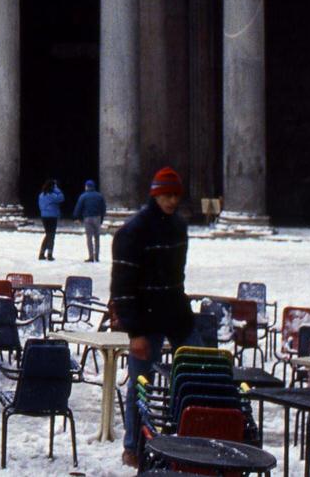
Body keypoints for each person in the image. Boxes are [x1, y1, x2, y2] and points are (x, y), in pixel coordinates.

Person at [111, 167, 194, 468]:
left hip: (175, 314)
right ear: (155, 194)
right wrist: (135, 333)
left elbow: (178, 277)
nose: (172, 201)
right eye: (166, 195)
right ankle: (134, 445)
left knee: (196, 371)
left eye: (176, 196)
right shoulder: (132, 232)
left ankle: (181, 435)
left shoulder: (178, 227)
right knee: (140, 384)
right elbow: (122, 289)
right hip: (145, 318)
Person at [72, 179, 108, 262]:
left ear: (86, 187)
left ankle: (91, 256)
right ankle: (97, 256)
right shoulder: (99, 196)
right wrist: (101, 218)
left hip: (87, 218)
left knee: (89, 238)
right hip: (97, 217)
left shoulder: (83, 196)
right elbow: (103, 208)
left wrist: (76, 216)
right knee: (97, 237)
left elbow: (79, 207)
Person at [37, 179, 65, 261]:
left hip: (44, 216)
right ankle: (49, 254)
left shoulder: (41, 195)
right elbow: (61, 198)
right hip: (52, 217)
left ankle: (41, 253)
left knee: (48, 235)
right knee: (51, 236)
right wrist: (57, 190)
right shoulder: (52, 195)